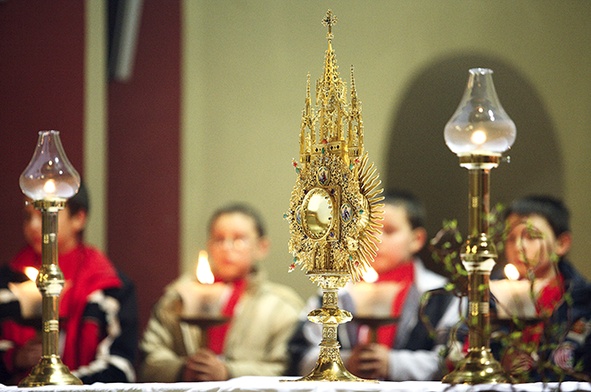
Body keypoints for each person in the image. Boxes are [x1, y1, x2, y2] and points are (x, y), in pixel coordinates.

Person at [287, 190, 460, 381]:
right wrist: (343, 362)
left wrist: (394, 364)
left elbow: (454, 358)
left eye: (389, 231)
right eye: (368, 231)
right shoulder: (335, 292)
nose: (375, 241)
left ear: (416, 239)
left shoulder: (441, 295)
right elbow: (299, 353)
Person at [139, 203, 304, 382]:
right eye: (219, 239)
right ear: (209, 245)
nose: (227, 247)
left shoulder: (281, 306)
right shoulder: (178, 298)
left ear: (261, 247)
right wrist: (183, 370)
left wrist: (229, 372)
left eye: (239, 239)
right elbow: (150, 357)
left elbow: (286, 368)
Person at [0, 182, 139, 385]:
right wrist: (15, 358)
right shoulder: (9, 280)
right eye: (28, 216)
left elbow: (120, 367)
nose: (33, 226)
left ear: (79, 219)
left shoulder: (109, 286)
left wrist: (60, 384)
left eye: (46, 216)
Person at [495, 195, 591, 381]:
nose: (518, 247)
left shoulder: (583, 300)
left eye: (531, 237)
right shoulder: (492, 294)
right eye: (510, 238)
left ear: (561, 243)